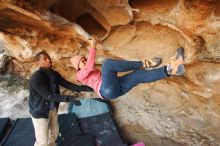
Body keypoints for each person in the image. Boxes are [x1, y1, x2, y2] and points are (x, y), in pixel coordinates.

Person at [70, 37, 185, 100]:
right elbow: (89, 67)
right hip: (106, 91)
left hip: (117, 89)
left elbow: (91, 66)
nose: (84, 62)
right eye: (81, 62)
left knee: (139, 75)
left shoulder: (93, 71)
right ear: (77, 68)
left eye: (85, 59)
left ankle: (172, 69)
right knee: (107, 63)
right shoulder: (80, 76)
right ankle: (143, 63)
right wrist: (92, 47)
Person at [29, 51, 93, 146]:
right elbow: (49, 96)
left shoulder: (54, 74)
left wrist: (85, 88)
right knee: (42, 140)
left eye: (48, 57)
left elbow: (68, 85)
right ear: (38, 62)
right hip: (40, 110)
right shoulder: (36, 77)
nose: (48, 60)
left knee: (54, 133)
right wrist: (68, 98)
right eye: (45, 59)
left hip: (53, 107)